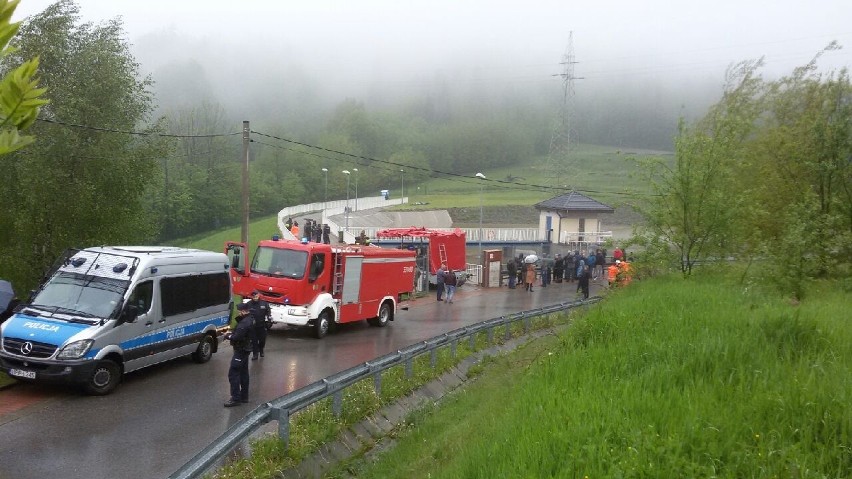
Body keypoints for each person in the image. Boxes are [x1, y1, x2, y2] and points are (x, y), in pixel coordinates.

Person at [224, 303, 254, 407]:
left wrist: (228, 336)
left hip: (240, 350)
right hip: (245, 350)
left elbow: (237, 337)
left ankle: (235, 398)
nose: (238, 312)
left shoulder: (245, 323)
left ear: (245, 311)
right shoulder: (250, 319)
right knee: (243, 373)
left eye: (240, 311)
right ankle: (244, 397)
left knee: (233, 373)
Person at [248, 290, 271, 360]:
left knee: (262, 340)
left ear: (258, 295)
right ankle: (255, 354)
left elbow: (268, 311)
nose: (255, 297)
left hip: (262, 325)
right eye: (254, 296)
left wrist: (269, 319)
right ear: (252, 297)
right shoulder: (249, 304)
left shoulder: (264, 303)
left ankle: (261, 350)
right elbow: (245, 313)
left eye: (256, 296)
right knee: (254, 341)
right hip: (253, 326)